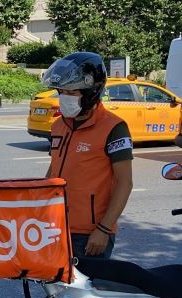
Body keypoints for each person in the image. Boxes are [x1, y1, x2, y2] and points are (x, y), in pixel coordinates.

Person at [42, 52, 133, 259]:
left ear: (91, 91)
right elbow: (53, 169)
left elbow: (124, 183)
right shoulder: (58, 126)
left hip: (90, 233)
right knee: (55, 290)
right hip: (55, 227)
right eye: (61, 92)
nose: (64, 98)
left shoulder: (114, 128)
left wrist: (104, 229)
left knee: (87, 290)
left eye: (71, 93)